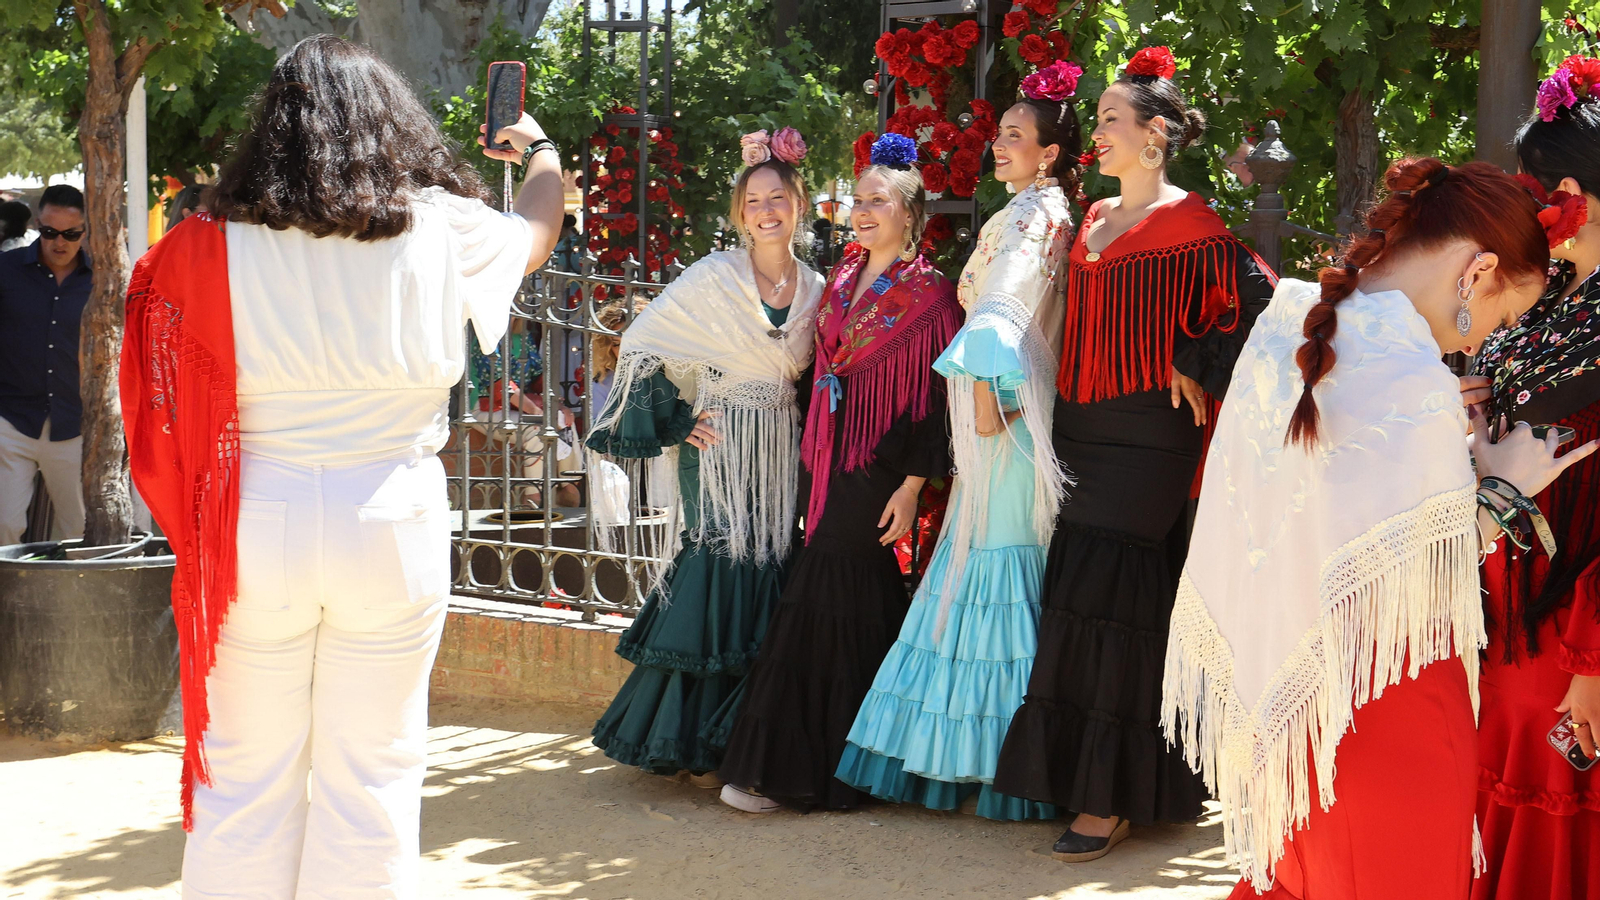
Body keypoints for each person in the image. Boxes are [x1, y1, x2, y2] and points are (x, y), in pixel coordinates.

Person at [120, 35, 564, 898]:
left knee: (243, 782)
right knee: (376, 778)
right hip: (392, 509)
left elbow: (151, 360)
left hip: (258, 516)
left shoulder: (208, 240)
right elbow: (537, 232)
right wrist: (539, 152)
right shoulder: (441, 224)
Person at [1162, 157, 1589, 899]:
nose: (1491, 333)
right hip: (1390, 696)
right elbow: (1424, 567)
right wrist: (1504, 485)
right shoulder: (1412, 377)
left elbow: (1316, 518)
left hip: (1298, 699)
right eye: (1505, 312)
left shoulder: (1290, 324)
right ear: (1478, 271)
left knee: (1304, 874)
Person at [992, 47, 1277, 860]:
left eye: (1112, 119)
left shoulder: (1199, 227)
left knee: (1119, 604)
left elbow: (1257, 313)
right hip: (1082, 429)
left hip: (1153, 440)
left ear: (1155, 136)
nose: (1098, 134)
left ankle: (1108, 797)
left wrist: (1196, 353)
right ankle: (1099, 780)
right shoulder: (1089, 221)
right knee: (1081, 598)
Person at [834, 61, 1079, 822]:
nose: (998, 145)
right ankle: (985, 762)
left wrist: (984, 399)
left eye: (1015, 136)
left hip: (1003, 420)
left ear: (1050, 153)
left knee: (996, 577)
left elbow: (1006, 310)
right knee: (985, 575)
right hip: (1001, 421)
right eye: (999, 133)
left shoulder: (1038, 213)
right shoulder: (1032, 210)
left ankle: (992, 766)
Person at [717, 135, 963, 813]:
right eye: (857, 199)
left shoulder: (933, 298)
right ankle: (864, 766)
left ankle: (786, 771)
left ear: (909, 214)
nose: (861, 210)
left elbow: (936, 405)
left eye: (876, 200)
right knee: (859, 601)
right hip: (824, 457)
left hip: (878, 467)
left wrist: (913, 487)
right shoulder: (845, 277)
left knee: (827, 593)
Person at [585, 127, 825, 781]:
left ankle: (740, 740)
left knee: (767, 564)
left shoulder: (818, 289)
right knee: (716, 567)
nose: (767, 210)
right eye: (754, 202)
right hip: (716, 451)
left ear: (798, 204)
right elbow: (642, 341)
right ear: (739, 214)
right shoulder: (713, 277)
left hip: (775, 454)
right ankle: (680, 738)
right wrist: (677, 421)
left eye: (778, 197)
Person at [1467, 54, 1600, 900]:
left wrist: (1594, 662)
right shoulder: (1549, 295)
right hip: (1503, 612)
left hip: (1575, 625)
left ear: (1574, 192)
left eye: (1536, 185)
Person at [0, 184, 90, 546]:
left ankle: (81, 602)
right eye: (50, 232)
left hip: (74, 423)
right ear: (38, 225)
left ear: (85, 231)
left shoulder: (103, 279)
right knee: (5, 526)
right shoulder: (6, 270)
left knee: (82, 531)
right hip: (11, 419)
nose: (59, 242)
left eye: (71, 234)